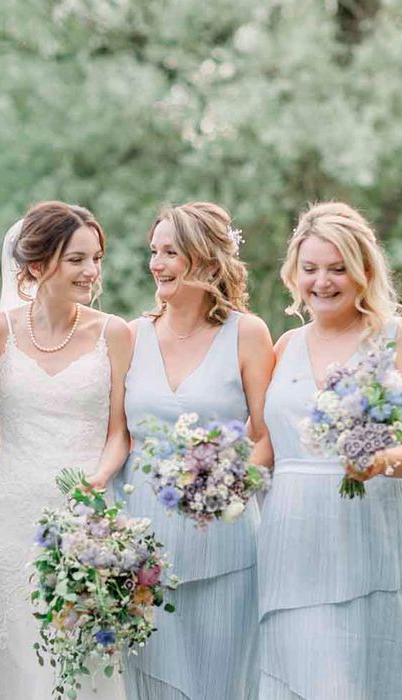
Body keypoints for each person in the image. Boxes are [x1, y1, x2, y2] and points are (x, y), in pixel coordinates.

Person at [256, 201, 402, 699]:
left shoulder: (397, 338)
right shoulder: (284, 346)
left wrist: (383, 461)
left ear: (363, 271)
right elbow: (266, 448)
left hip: (369, 536)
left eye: (337, 269)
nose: (323, 281)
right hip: (291, 543)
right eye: (311, 269)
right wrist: (215, 482)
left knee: (360, 680)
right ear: (294, 274)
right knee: (301, 674)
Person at [112, 202, 275, 700]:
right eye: (154, 252)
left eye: (170, 253)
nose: (156, 264)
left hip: (224, 538)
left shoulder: (247, 334)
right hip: (145, 541)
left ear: (205, 260)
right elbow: (117, 434)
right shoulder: (131, 335)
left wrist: (225, 485)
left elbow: (267, 436)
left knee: (223, 681)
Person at [0, 201, 132, 699]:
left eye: (96, 259)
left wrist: (99, 478)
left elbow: (119, 430)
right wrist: (29, 468)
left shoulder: (114, 332)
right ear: (36, 265)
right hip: (12, 515)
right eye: (77, 260)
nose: (91, 271)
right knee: (17, 653)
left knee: (85, 654)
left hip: (89, 514)